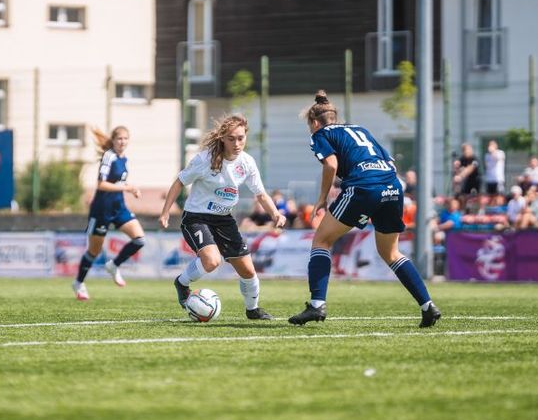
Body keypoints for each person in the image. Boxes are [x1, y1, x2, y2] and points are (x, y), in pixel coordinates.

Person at [289, 91, 440, 327]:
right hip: (392, 186)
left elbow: (331, 165)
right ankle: (427, 306)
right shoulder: (360, 129)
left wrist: (322, 198)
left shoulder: (321, 134)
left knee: (321, 241)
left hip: (363, 186)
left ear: (315, 122)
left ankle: (317, 305)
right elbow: (390, 163)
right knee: (391, 253)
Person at [159, 114, 284, 320]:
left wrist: (275, 213)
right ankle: (181, 283)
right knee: (212, 261)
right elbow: (179, 182)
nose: (237, 143)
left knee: (248, 270)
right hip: (197, 218)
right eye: (231, 139)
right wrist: (165, 212)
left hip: (224, 219)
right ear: (222, 139)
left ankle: (252, 309)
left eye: (241, 138)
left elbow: (261, 194)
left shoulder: (247, 162)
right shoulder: (204, 160)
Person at [72, 126, 145, 301]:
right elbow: (101, 184)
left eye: (125, 138)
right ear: (113, 140)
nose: (122, 142)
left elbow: (118, 183)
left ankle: (113, 265)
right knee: (94, 251)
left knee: (139, 239)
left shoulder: (123, 159)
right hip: (101, 210)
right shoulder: (108, 156)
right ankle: (78, 283)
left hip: (119, 208)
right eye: (119, 138)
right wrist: (127, 188)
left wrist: (131, 188)